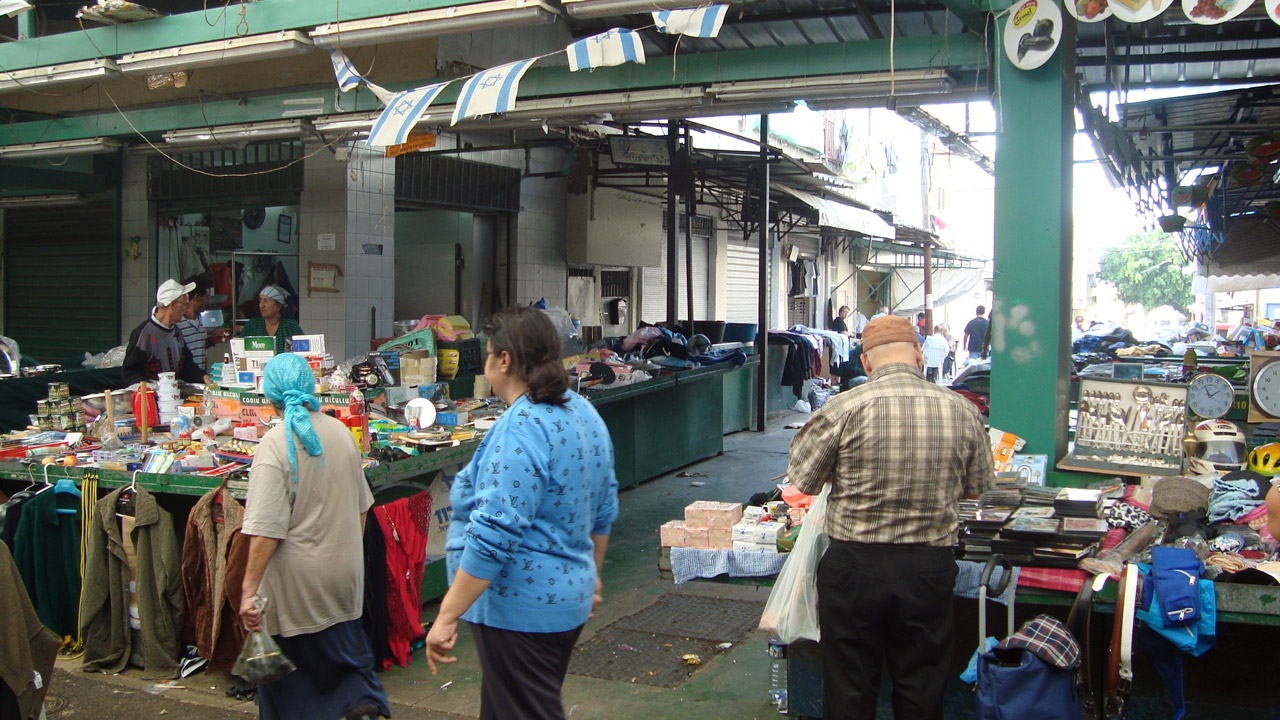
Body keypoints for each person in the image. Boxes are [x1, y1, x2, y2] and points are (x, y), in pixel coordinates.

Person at [786, 315, 993, 720]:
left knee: (849, 689)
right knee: (921, 689)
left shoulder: (842, 408)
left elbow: (803, 481)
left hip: (853, 570)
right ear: (918, 354)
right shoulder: (961, 410)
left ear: (865, 362)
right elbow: (979, 489)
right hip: (927, 570)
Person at [427, 307, 619, 720]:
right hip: (565, 599)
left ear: (505, 360)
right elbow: (603, 506)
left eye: (488, 354)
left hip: (521, 611)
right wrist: (593, 575)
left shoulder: (524, 425)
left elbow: (494, 533)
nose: (487, 366)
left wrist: (446, 615)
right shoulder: (581, 411)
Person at [238, 353, 389, 720]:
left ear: (269, 396)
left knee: (291, 688)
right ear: (310, 386)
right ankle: (359, 703)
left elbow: (264, 531)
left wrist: (248, 591)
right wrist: (344, 550)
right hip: (344, 579)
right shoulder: (340, 432)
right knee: (347, 664)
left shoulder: (275, 445)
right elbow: (362, 508)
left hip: (296, 589)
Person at [123, 279, 205, 384]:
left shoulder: (176, 331)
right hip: (151, 396)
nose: (186, 309)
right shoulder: (144, 334)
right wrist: (152, 387)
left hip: (174, 394)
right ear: (173, 305)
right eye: (185, 305)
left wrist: (203, 377)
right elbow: (130, 372)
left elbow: (186, 366)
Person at [175, 274, 231, 372]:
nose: (208, 301)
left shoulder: (200, 319)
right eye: (206, 297)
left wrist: (211, 341)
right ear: (197, 298)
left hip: (199, 376)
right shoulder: (177, 323)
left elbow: (195, 347)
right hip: (184, 378)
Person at [239, 285, 304, 354]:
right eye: (260, 301)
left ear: (278, 306)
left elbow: (304, 349)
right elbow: (239, 348)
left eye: (266, 301)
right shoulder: (252, 325)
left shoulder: (290, 326)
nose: (262, 305)